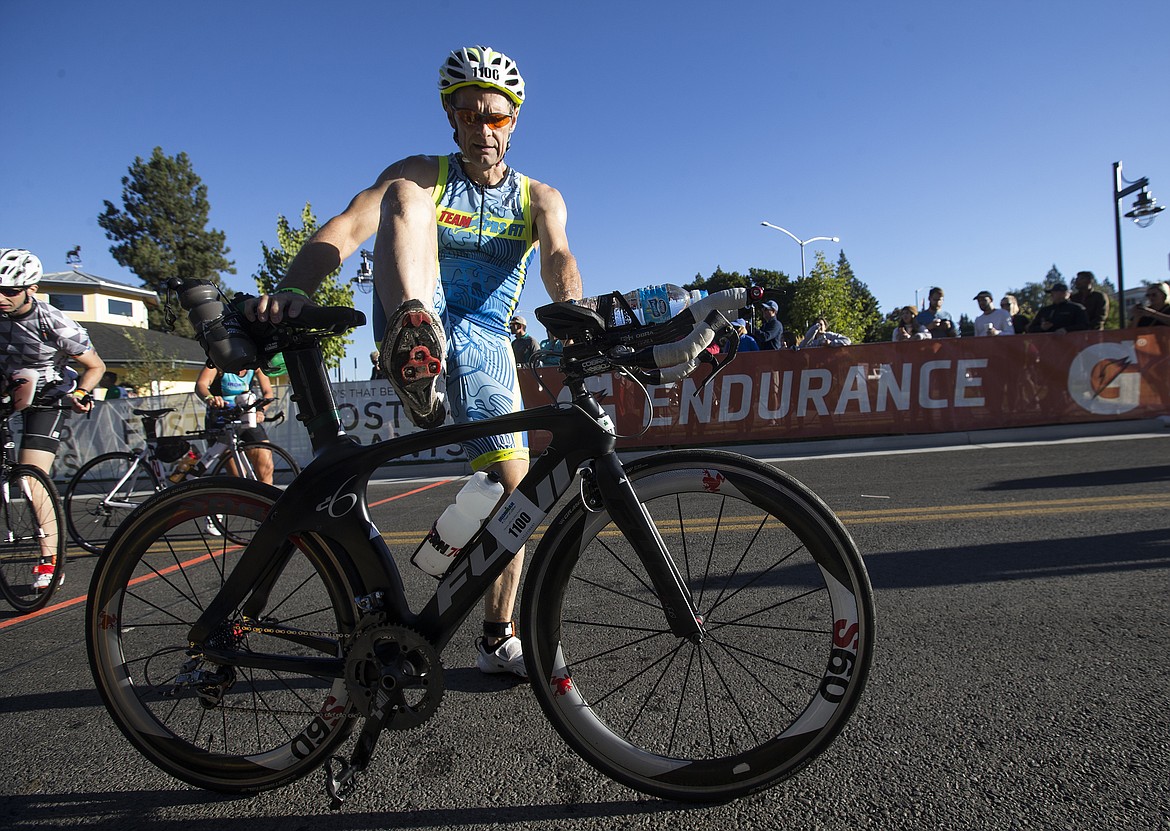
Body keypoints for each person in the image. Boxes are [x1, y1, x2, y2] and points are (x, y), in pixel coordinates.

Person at [250, 46, 583, 678]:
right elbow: (349, 227)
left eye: (495, 117)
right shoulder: (423, 172)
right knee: (400, 194)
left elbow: (557, 257)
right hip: (419, 306)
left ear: (513, 122)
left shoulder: (540, 197)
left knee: (518, 494)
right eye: (468, 115)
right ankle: (413, 345)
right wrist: (293, 290)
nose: (482, 129)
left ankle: (496, 637)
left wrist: (573, 309)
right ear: (450, 119)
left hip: (484, 338)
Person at [0, 248, 106, 589]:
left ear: (31, 288)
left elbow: (95, 366)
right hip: (7, 390)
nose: (1, 298)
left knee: (30, 480)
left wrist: (80, 394)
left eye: (9, 291)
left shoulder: (54, 321)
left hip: (47, 396)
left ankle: (49, 559)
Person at [194, 365, 275, 485]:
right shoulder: (218, 364)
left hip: (246, 415)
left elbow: (268, 392)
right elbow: (201, 385)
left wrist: (260, 410)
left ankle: (268, 501)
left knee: (266, 468)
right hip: (222, 418)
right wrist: (210, 398)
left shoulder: (254, 366)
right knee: (238, 476)